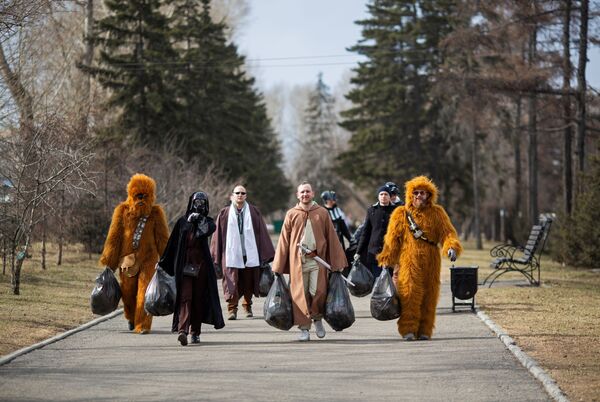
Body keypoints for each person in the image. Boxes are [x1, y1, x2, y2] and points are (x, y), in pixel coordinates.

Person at [377, 176, 462, 341]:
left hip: (431, 260)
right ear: (410, 194)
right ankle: (408, 329)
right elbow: (392, 239)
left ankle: (425, 330)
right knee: (409, 295)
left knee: (430, 296)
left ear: (429, 195)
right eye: (415, 192)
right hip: (409, 260)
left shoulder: (437, 212)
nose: (419, 196)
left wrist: (451, 246)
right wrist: (387, 258)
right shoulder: (401, 213)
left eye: (422, 193)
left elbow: (448, 233)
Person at [272, 182, 348, 341]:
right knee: (300, 294)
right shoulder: (292, 213)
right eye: (302, 192)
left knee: (318, 291)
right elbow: (284, 240)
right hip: (298, 262)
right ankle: (304, 328)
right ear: (297, 195)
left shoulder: (321, 212)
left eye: (307, 191)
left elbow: (332, 238)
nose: (305, 194)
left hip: (317, 261)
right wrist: (278, 265)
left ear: (313, 194)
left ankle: (317, 318)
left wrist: (337, 262)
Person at [100, 173, 170, 334]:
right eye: (138, 196)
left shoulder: (156, 213)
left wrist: (167, 259)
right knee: (128, 292)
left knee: (145, 292)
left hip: (148, 259)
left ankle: (143, 325)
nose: (141, 200)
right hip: (127, 259)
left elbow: (162, 238)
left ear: (151, 196)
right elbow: (114, 237)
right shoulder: (122, 211)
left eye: (145, 196)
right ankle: (131, 317)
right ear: (131, 194)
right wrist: (109, 261)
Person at [159, 192, 225, 346]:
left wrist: (199, 219)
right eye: (197, 201)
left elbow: (207, 230)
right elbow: (173, 243)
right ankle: (183, 331)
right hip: (184, 265)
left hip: (201, 267)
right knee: (185, 297)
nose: (200, 204)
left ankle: (195, 332)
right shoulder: (182, 222)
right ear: (191, 203)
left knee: (198, 299)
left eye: (203, 202)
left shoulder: (208, 222)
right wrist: (162, 263)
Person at [210, 185, 275, 320]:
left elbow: (262, 232)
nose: (240, 195)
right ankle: (232, 309)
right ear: (232, 196)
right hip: (230, 254)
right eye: (237, 193)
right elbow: (217, 236)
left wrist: (265, 253)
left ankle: (247, 306)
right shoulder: (224, 213)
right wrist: (215, 254)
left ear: (246, 196)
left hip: (249, 253)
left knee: (248, 280)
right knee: (230, 280)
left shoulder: (254, 212)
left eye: (242, 193)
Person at [354, 184, 398, 277]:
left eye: (386, 194)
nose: (383, 196)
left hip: (390, 251)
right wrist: (358, 252)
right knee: (377, 279)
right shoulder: (371, 210)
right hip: (374, 251)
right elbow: (365, 232)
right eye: (381, 194)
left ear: (390, 197)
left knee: (388, 280)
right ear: (378, 196)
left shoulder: (396, 211)